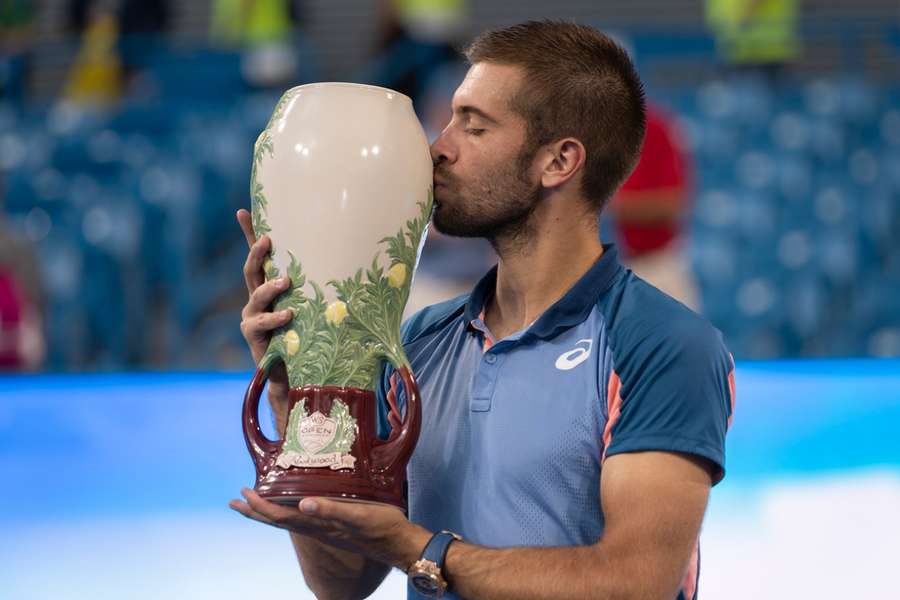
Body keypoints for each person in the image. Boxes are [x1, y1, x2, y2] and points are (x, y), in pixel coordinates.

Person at [232, 20, 736, 600]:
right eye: (448, 120)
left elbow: (632, 582)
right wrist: (295, 391)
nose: (438, 147)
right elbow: (342, 584)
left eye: (473, 126)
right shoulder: (416, 341)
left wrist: (416, 549)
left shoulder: (664, 344)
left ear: (559, 162)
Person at [609, 102, 702, 312]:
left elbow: (675, 203)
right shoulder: (596, 129)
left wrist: (622, 204)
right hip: (622, 266)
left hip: (661, 264)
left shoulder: (654, 126)